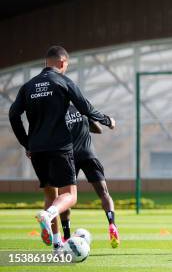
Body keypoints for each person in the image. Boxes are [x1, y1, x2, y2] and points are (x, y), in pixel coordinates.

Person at [8, 45, 115, 253]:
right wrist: (107, 120)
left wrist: (26, 143)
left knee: (51, 195)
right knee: (70, 195)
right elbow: (85, 108)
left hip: (37, 149)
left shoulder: (28, 86)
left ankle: (57, 247)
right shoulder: (64, 81)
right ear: (62, 63)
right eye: (66, 65)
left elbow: (13, 115)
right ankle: (47, 215)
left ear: (45, 62)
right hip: (59, 147)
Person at [59, 104, 120, 248]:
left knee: (66, 196)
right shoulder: (81, 109)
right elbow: (98, 130)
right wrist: (83, 124)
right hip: (89, 155)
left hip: (69, 157)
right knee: (104, 193)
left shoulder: (56, 114)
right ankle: (112, 224)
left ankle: (67, 236)